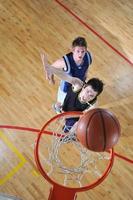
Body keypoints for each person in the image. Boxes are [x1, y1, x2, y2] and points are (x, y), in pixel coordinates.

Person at [41, 36, 92, 113]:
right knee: (61, 106)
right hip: (66, 88)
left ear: (86, 50)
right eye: (78, 51)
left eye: (83, 51)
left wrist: (86, 75)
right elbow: (51, 68)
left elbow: (87, 67)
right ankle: (56, 107)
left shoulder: (89, 56)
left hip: (78, 85)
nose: (80, 54)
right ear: (73, 50)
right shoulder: (64, 61)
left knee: (75, 105)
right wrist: (51, 79)